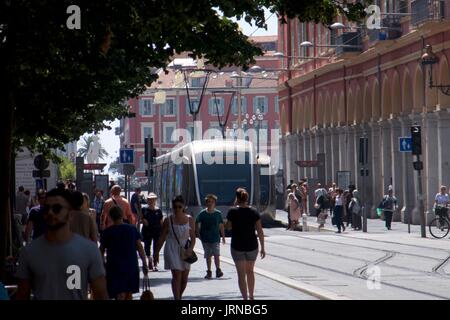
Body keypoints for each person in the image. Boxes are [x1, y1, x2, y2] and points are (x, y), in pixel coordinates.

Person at [16, 188, 108, 300]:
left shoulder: (90, 251)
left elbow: (101, 294)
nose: (50, 212)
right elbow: (22, 294)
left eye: (57, 208)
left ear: (70, 214)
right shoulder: (29, 253)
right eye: (46, 208)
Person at [100, 206, 148, 300]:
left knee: (119, 293)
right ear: (122, 215)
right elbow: (140, 247)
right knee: (128, 292)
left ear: (110, 217)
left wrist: (102, 265)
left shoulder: (107, 232)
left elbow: (101, 250)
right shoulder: (132, 230)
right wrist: (144, 262)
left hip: (114, 266)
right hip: (130, 265)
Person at [153, 195, 196, 300]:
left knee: (184, 278)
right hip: (172, 248)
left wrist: (190, 249)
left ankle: (179, 296)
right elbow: (162, 237)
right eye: (175, 207)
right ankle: (177, 298)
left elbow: (193, 237)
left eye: (179, 207)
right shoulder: (168, 220)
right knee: (177, 275)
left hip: (185, 248)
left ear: (183, 207)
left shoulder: (190, 219)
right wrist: (156, 253)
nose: (177, 209)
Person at [226, 188, 265, 300]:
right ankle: (251, 296)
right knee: (250, 271)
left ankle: (245, 299)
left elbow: (228, 227)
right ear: (247, 198)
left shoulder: (232, 211)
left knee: (241, 274)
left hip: (237, 246)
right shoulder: (254, 212)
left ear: (237, 198)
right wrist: (263, 248)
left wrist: (234, 207)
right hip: (252, 246)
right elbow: (260, 231)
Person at [196, 194, 225, 279]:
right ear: (206, 203)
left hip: (215, 238)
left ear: (215, 203)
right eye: (208, 202)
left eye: (212, 202)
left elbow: (221, 225)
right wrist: (197, 234)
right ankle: (209, 271)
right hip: (205, 238)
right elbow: (196, 222)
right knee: (208, 255)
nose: (210, 203)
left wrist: (223, 237)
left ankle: (218, 270)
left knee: (216, 254)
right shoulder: (202, 213)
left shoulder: (218, 214)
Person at [141, 192, 163, 271]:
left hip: (157, 231)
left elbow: (161, 221)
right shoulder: (144, 209)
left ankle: (155, 264)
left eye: (153, 199)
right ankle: (149, 259)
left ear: (155, 200)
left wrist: (163, 231)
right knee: (147, 246)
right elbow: (142, 218)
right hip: (147, 230)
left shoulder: (158, 210)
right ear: (147, 200)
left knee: (156, 247)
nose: (151, 201)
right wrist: (144, 221)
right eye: (150, 199)